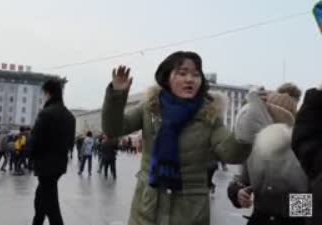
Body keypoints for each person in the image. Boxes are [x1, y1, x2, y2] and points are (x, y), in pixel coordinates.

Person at [102, 51, 257, 225]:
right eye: (182, 73)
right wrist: (117, 97)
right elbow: (113, 129)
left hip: (189, 212)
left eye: (196, 75)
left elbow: (232, 154)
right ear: (167, 77)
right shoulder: (150, 107)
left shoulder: (209, 115)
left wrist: (248, 124)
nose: (190, 79)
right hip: (148, 209)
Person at [227, 89, 307, 225]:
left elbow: (308, 205)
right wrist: (238, 192)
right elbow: (240, 180)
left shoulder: (302, 151)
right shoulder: (256, 149)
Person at [29, 79, 76, 225]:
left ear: (48, 92)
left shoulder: (46, 113)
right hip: (59, 165)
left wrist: (30, 156)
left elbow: (35, 140)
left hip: (45, 165)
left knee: (51, 206)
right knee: (41, 197)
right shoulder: (70, 117)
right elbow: (70, 143)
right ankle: (37, 221)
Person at [292, 84, 322, 225]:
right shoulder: (264, 144)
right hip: (267, 217)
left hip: (301, 209)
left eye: (295, 100)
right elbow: (245, 179)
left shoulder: (303, 135)